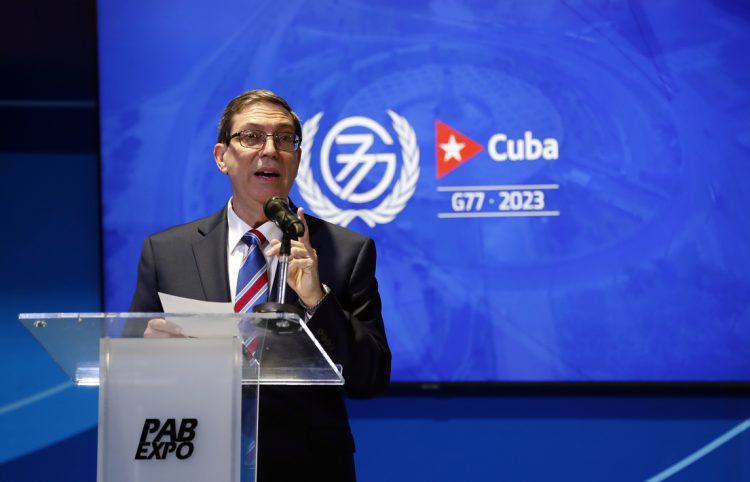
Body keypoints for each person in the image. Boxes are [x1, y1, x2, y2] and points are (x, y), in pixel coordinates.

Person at [129, 89, 391, 481]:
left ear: (297, 159)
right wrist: (148, 356)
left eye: (284, 139)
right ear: (222, 157)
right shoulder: (167, 252)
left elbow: (369, 378)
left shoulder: (345, 251)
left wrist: (317, 299)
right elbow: (131, 369)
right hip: (194, 458)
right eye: (251, 136)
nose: (270, 149)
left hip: (308, 467)